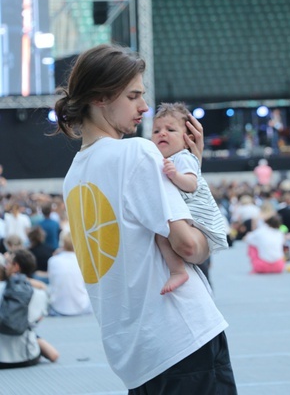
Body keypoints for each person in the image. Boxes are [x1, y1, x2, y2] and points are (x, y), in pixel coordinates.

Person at [54, 44, 237, 394]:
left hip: (133, 355)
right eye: (134, 95)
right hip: (182, 336)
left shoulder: (73, 176)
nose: (143, 107)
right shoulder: (137, 152)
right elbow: (188, 245)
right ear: (101, 97)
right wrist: (195, 180)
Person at [151, 102, 228, 294]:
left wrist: (175, 175)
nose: (162, 133)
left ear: (187, 139)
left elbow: (191, 184)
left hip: (197, 217)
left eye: (170, 129)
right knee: (161, 236)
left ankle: (177, 271)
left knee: (162, 234)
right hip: (187, 219)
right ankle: (178, 270)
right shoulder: (165, 160)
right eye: (156, 131)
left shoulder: (183, 158)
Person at [0, 249, 59, 368]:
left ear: (15, 266)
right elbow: (38, 319)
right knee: (29, 327)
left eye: (7, 263)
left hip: (2, 359)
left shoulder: (2, 289)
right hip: (28, 356)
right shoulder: (41, 294)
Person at [47, 232, 92, 316]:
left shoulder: (52, 260)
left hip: (57, 307)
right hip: (82, 307)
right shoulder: (83, 261)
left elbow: (52, 281)